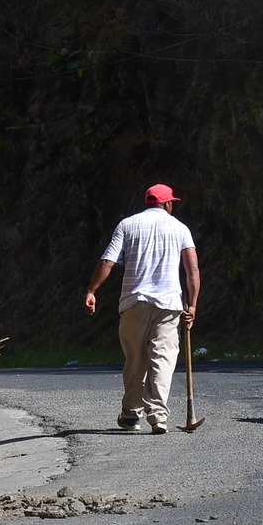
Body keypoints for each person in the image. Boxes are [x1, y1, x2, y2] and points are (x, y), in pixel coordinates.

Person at [84, 184, 200, 433]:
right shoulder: (180, 229)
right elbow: (192, 271)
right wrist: (192, 305)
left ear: (148, 202)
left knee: (136, 359)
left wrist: (92, 290)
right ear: (168, 204)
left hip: (134, 301)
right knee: (163, 358)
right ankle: (158, 415)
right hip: (169, 304)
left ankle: (131, 414)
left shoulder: (127, 225)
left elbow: (108, 261)